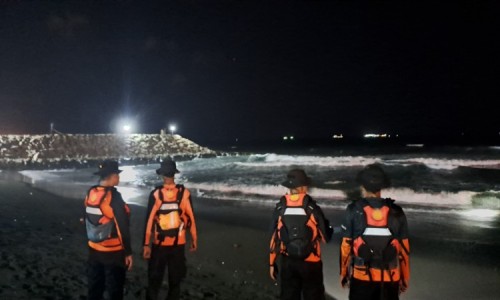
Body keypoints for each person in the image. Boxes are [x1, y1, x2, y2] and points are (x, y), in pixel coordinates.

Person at [340, 164, 410, 300]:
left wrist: (344, 273)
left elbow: (346, 246)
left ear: (362, 186)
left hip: (361, 277)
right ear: (382, 185)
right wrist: (405, 277)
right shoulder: (397, 212)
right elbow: (404, 250)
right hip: (390, 277)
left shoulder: (353, 210)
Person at [269, 169, 333, 300]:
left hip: (288, 261)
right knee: (314, 295)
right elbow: (326, 237)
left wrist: (272, 264)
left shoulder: (280, 207)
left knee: (289, 295)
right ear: (303, 187)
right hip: (311, 262)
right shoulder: (312, 207)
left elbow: (274, 238)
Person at [142, 157, 198, 300]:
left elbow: (149, 221)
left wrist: (146, 244)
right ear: (174, 174)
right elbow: (191, 218)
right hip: (178, 245)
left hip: (159, 244)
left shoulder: (156, 194)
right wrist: (194, 239)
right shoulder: (184, 193)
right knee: (175, 282)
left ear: (162, 174)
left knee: (154, 281)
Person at [84, 160, 133, 300]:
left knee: (95, 287)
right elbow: (122, 225)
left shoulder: (91, 192)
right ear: (112, 176)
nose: (119, 178)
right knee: (115, 289)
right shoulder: (114, 196)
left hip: (93, 248)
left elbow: (88, 217)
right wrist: (128, 252)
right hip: (113, 251)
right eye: (117, 175)